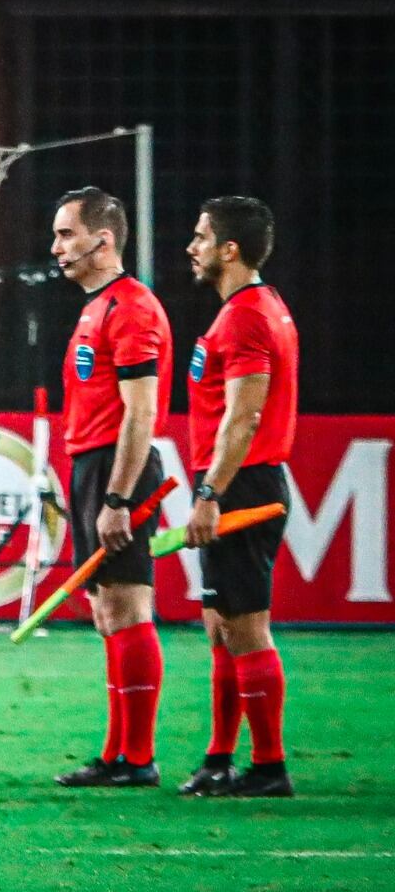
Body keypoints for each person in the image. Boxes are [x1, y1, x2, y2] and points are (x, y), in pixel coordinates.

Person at [48, 187, 173, 789]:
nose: (57, 248)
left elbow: (140, 413)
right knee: (106, 612)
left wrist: (119, 498)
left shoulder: (132, 308)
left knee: (127, 605)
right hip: (91, 467)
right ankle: (117, 752)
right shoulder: (97, 306)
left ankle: (139, 756)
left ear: (104, 239)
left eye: (67, 234)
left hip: (115, 471)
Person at [180, 196, 298, 798]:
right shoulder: (257, 309)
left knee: (246, 627)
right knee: (223, 625)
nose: (191, 247)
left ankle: (270, 767)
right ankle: (221, 758)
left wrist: (209, 493)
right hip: (240, 480)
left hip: (242, 484)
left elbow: (243, 418)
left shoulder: (249, 316)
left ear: (230, 249)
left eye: (201, 237)